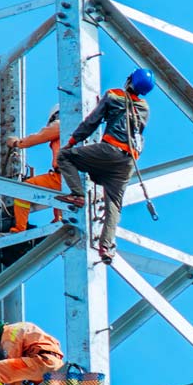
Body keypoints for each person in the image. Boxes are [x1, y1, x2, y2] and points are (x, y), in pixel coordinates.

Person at [55, 69, 155, 262]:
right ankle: (106, 247)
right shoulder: (145, 108)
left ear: (130, 80)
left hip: (109, 151)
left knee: (65, 157)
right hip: (127, 163)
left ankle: (78, 195)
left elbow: (92, 122)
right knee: (114, 206)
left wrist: (73, 141)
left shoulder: (113, 95)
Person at [5, 104, 63, 232]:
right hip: (79, 178)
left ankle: (20, 228)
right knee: (61, 195)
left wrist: (17, 143)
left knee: (24, 190)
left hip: (63, 176)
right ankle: (59, 221)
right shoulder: (85, 130)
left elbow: (40, 136)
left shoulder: (62, 125)